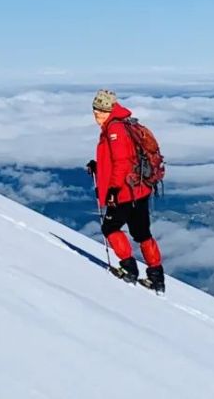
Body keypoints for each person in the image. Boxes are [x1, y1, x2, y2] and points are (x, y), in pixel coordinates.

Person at [85, 89, 165, 292]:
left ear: (107, 110)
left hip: (125, 192)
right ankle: (157, 278)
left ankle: (129, 269)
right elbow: (120, 160)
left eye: (99, 112)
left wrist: (113, 190)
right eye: (95, 112)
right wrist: (99, 166)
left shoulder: (114, 129)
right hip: (139, 189)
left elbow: (122, 163)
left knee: (110, 228)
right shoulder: (124, 123)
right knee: (142, 233)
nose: (97, 117)